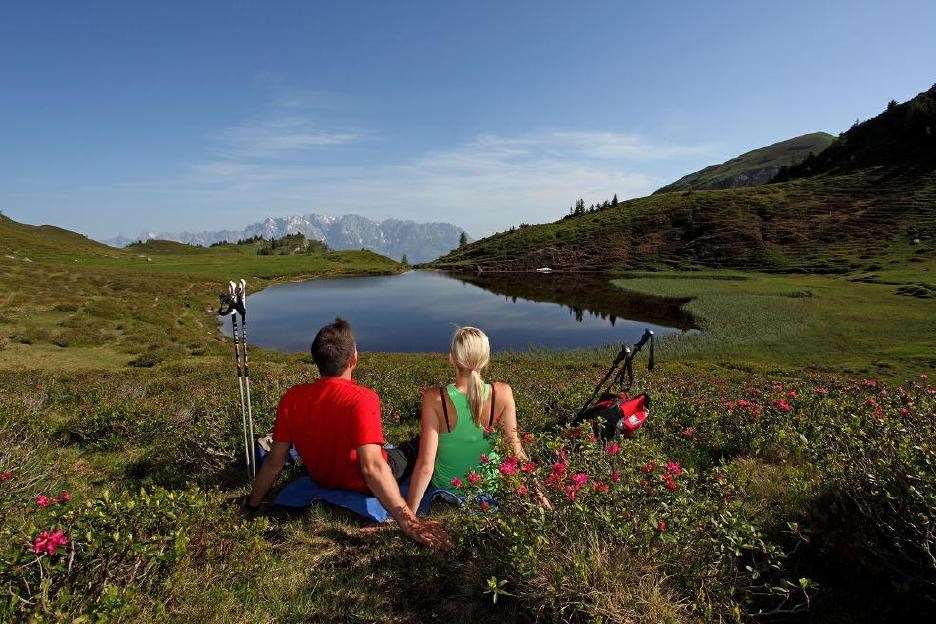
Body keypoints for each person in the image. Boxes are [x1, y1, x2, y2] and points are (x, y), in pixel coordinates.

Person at [243, 317, 452, 550]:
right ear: (353, 358)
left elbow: (275, 461)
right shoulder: (362, 399)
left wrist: (251, 506)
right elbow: (372, 468)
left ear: (317, 360)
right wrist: (410, 522)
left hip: (322, 477)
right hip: (366, 482)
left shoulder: (292, 398)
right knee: (415, 447)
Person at [406, 327, 526, 513]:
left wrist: (409, 514)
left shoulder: (434, 398)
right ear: (485, 360)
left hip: (447, 489)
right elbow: (515, 449)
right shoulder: (502, 393)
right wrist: (539, 494)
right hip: (489, 490)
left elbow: (425, 465)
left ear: (452, 358)